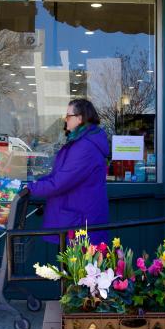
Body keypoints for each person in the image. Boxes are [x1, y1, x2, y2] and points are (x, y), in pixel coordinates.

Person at [26, 99, 109, 245]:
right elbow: (60, 175)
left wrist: (30, 187)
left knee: (77, 267)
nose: (65, 119)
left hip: (81, 221)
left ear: (80, 118)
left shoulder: (84, 147)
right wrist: (36, 183)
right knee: (73, 266)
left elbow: (61, 182)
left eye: (68, 115)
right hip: (78, 217)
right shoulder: (81, 142)